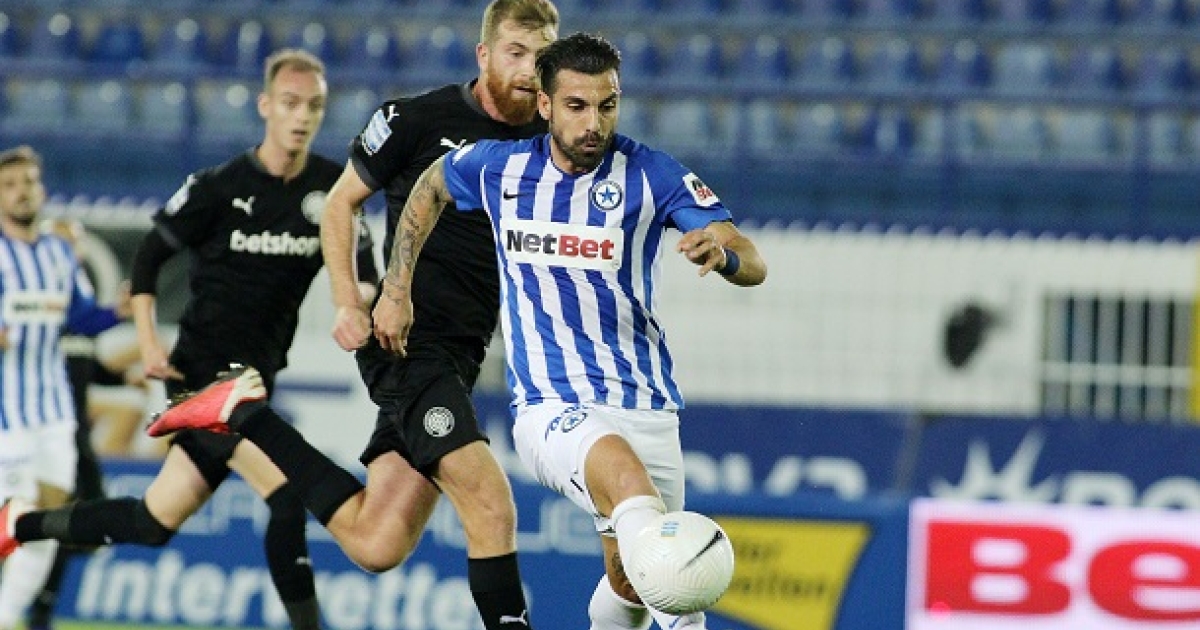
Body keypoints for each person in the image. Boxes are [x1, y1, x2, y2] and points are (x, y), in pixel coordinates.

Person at [133, 3, 559, 630]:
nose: (527, 70)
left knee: (377, 543)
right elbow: (340, 205)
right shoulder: (415, 120)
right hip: (408, 341)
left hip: (462, 355)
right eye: (515, 53)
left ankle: (242, 410)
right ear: (485, 54)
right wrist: (348, 300)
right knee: (491, 506)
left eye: (540, 57)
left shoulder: (550, 136)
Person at [369, 32, 767, 630]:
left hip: (647, 406)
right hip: (551, 405)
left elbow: (752, 259)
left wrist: (725, 255)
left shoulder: (651, 174)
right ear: (545, 104)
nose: (593, 123)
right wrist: (396, 288)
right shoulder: (500, 168)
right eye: (577, 106)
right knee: (671, 567)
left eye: (607, 106)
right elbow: (429, 187)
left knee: (632, 584)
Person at [0, 49, 378, 630]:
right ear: (265, 106)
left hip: (256, 382)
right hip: (202, 379)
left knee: (153, 522)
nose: (302, 117)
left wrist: (361, 302)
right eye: (290, 103)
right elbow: (149, 260)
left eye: (314, 106)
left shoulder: (332, 192)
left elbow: (366, 273)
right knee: (285, 495)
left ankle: (18, 524)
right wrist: (149, 343)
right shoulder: (220, 187)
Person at [0, 146, 131, 630]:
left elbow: (79, 317)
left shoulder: (58, 253)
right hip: (7, 417)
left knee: (46, 526)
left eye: (29, 182)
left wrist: (115, 313)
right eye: (10, 185)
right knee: (15, 520)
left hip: (56, 415)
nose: (22, 192)